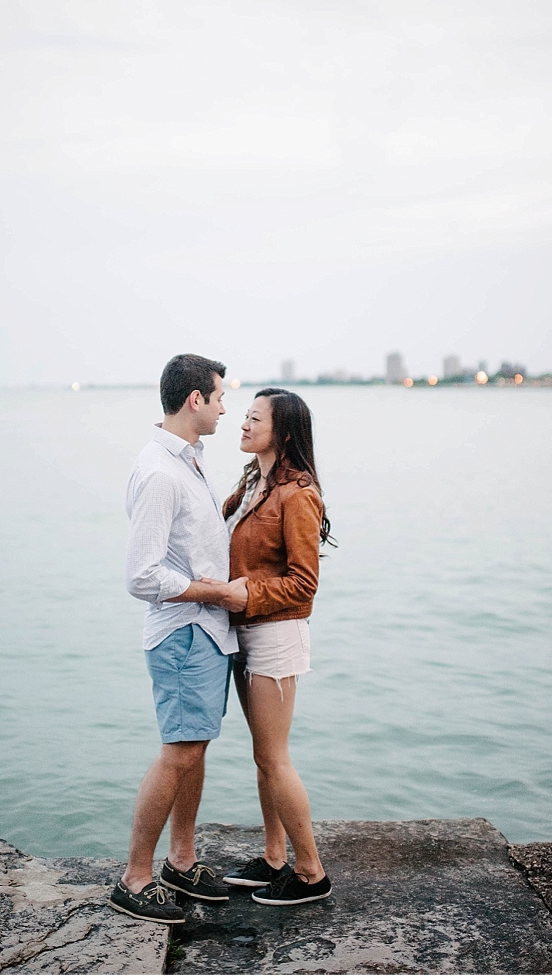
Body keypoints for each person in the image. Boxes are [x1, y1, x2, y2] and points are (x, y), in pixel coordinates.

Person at [108, 354, 248, 925]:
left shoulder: (187, 462)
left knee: (195, 748)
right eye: (218, 397)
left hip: (205, 634)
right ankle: (135, 878)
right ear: (195, 399)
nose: (223, 407)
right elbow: (142, 575)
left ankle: (181, 861)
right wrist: (214, 591)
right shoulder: (161, 472)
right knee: (179, 751)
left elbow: (190, 542)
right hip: (185, 634)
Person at [218, 387, 334, 906]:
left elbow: (304, 584)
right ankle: (272, 858)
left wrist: (245, 593)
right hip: (245, 631)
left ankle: (311, 873)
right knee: (263, 757)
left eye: (254, 418)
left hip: (276, 635)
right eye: (242, 415)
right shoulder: (252, 481)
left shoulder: (298, 492)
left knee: (275, 757)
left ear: (283, 432)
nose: (242, 424)